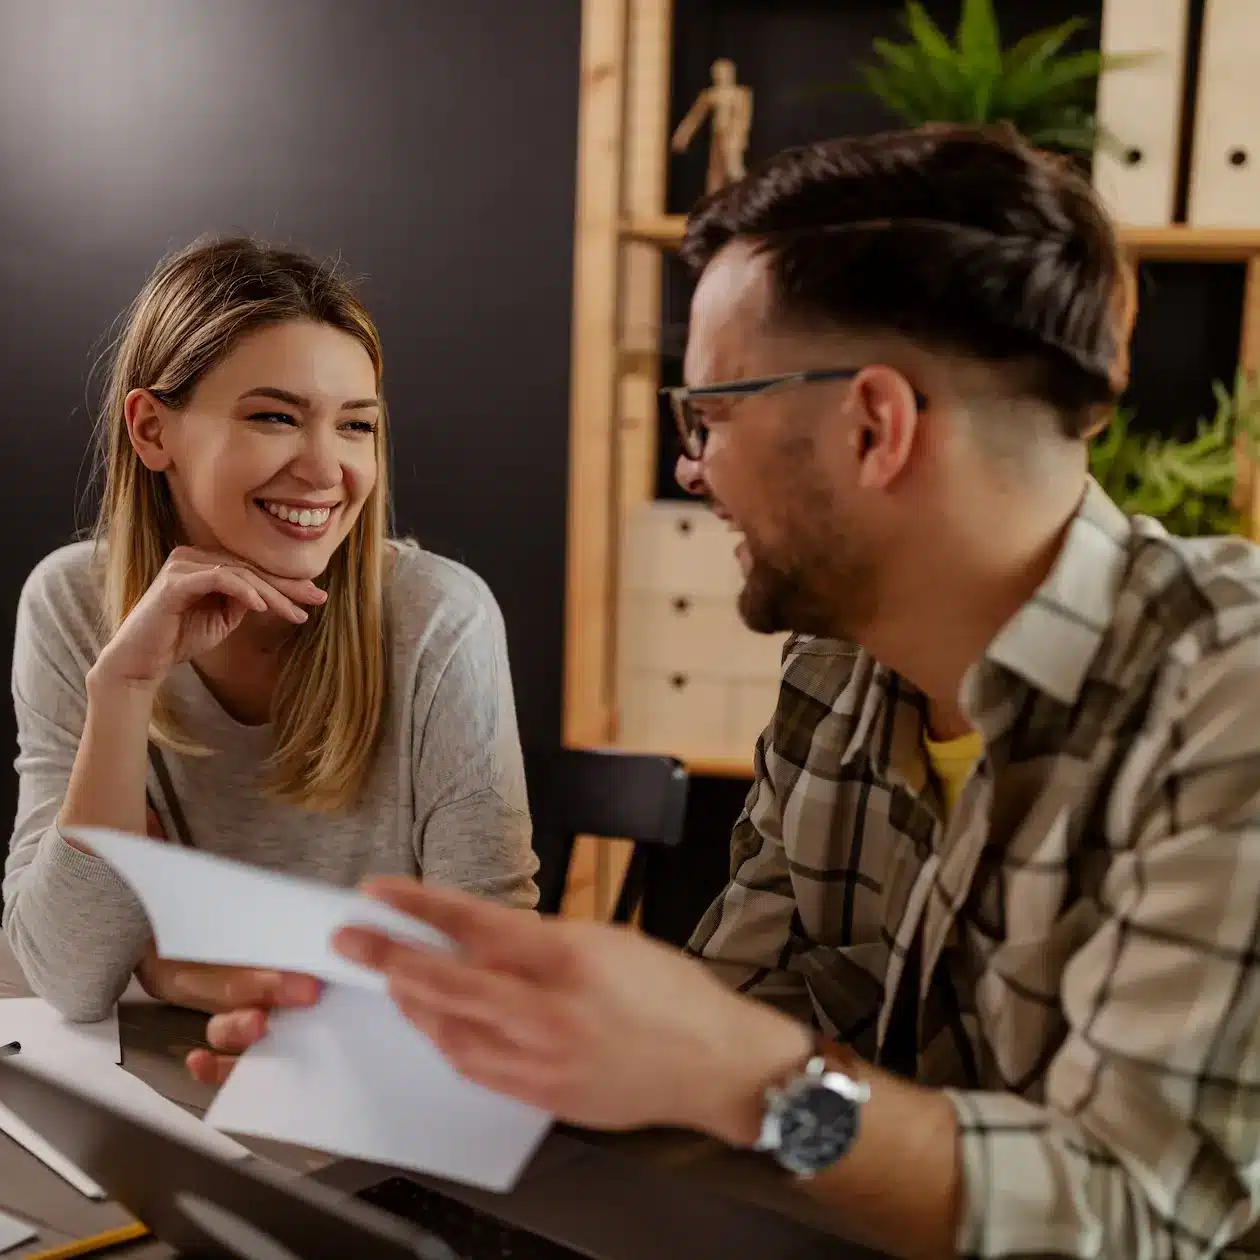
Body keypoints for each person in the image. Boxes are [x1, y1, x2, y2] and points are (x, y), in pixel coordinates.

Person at [190, 124, 1260, 1260]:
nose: (691, 468)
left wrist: (755, 1083)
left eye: (708, 415)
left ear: (873, 426)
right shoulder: (837, 669)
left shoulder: (1223, 697)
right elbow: (740, 1011)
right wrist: (448, 1049)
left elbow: (1135, 1218)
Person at [3, 235, 539, 1025]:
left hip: (368, 1088)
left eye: (356, 426)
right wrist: (121, 694)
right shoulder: (71, 602)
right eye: (276, 417)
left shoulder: (438, 620)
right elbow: (68, 978)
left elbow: (489, 974)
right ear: (153, 430)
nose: (327, 470)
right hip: (157, 1087)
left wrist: (177, 964)